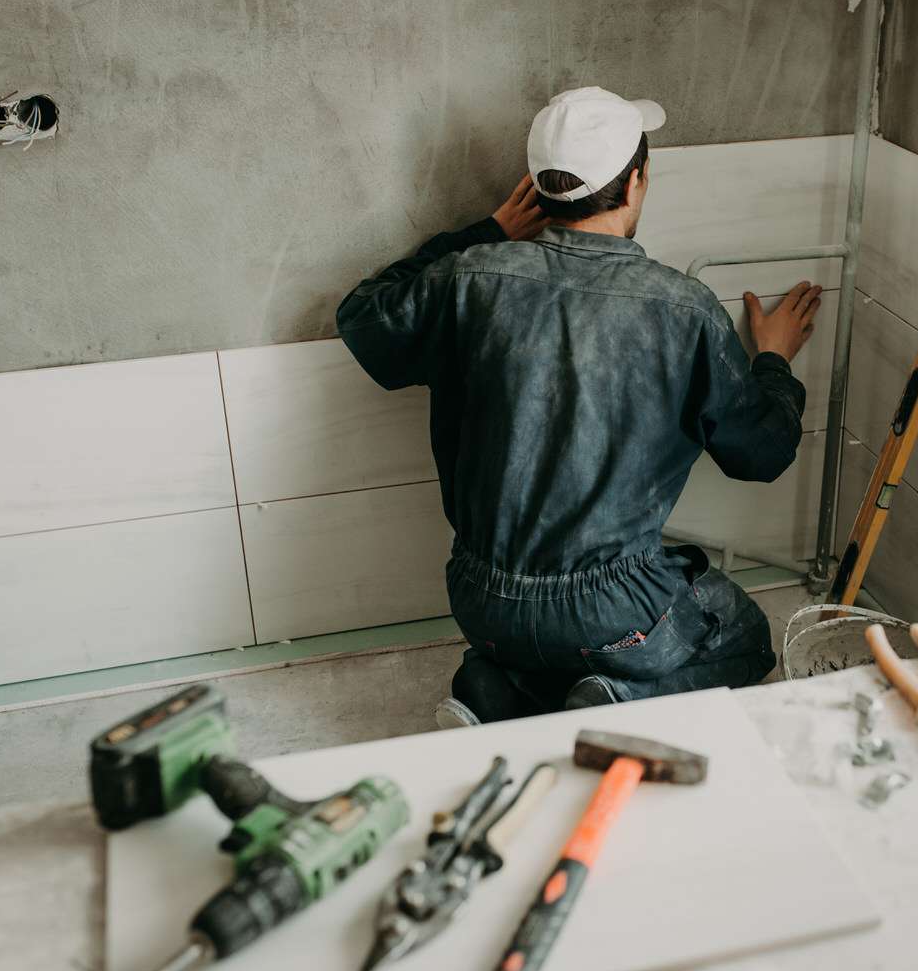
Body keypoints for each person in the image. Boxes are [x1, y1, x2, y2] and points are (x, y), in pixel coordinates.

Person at [336, 87, 821, 726]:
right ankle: (619, 698)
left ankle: (494, 689)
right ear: (638, 181)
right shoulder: (681, 308)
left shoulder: (470, 279)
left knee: (549, 638)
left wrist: (487, 231)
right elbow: (761, 454)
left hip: (482, 599)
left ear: (540, 188)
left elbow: (363, 319)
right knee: (744, 634)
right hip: (612, 613)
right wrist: (773, 362)